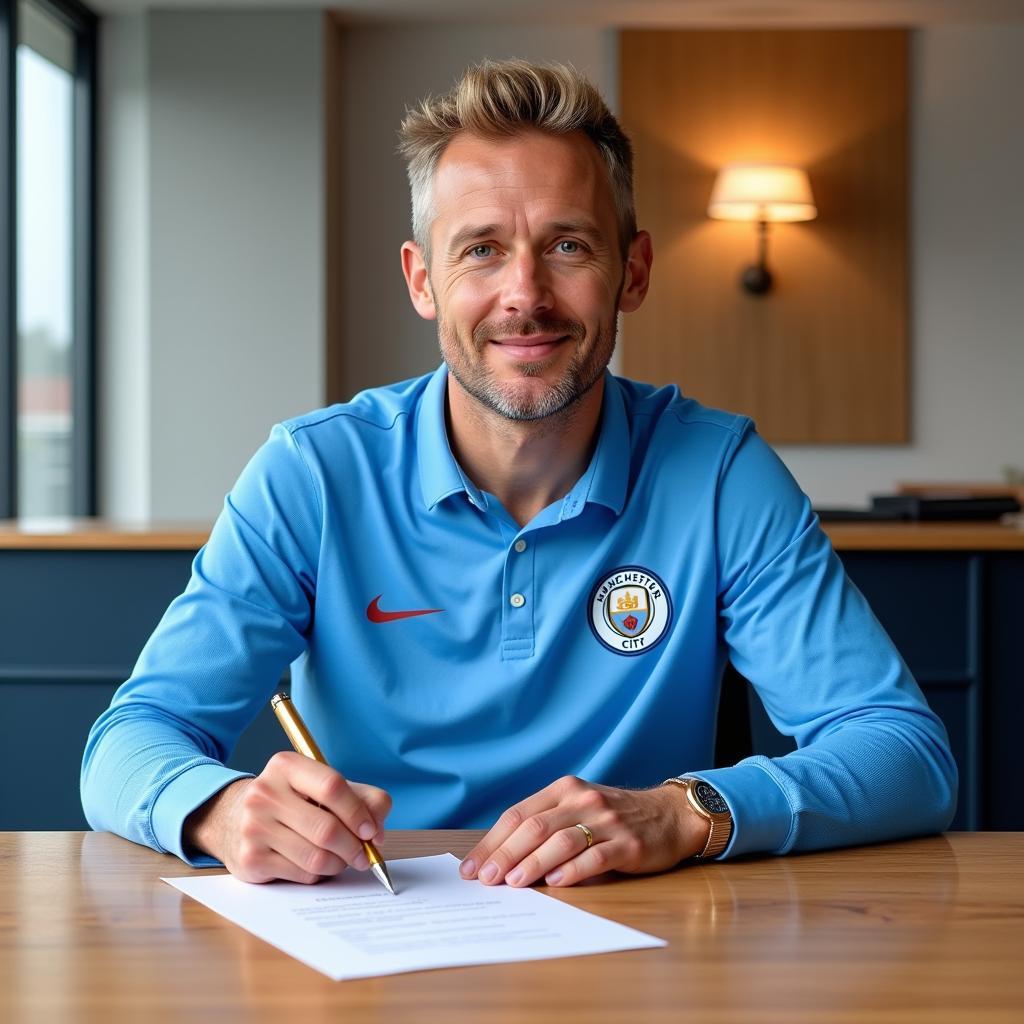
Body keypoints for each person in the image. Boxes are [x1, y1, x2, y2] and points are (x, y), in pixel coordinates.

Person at [81, 59, 956, 890]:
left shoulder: (721, 470)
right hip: (372, 935)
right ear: (423, 280)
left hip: (636, 938)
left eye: (568, 245)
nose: (524, 295)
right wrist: (220, 810)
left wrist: (690, 812)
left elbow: (903, 753)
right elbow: (131, 739)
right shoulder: (312, 471)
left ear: (634, 271)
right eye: (482, 250)